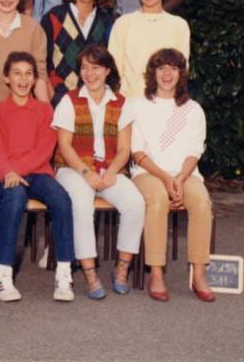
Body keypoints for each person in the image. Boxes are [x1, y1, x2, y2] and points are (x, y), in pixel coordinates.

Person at [52, 44, 145, 299]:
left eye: (95, 68)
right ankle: (90, 272)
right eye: (84, 68)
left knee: (135, 203)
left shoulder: (122, 103)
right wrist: (86, 173)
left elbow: (124, 148)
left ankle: (122, 269)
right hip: (73, 169)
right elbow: (64, 146)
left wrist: (112, 171)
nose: (89, 73)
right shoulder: (69, 100)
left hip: (109, 169)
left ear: (107, 71)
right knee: (82, 204)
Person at [0, 51, 75, 302]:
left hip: (37, 172)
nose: (23, 80)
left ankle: (64, 274)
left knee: (61, 199)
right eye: (17, 74)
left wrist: (18, 170)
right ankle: (3, 275)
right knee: (14, 200)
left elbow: (45, 149)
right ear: (6, 78)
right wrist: (9, 172)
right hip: (7, 175)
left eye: (28, 74)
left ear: (35, 79)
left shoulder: (45, 110)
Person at [130, 48, 215, 303]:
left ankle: (198, 274)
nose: (167, 74)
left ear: (181, 73)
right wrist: (166, 179)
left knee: (201, 201)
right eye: (161, 68)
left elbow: (194, 150)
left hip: (185, 174)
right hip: (147, 173)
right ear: (153, 73)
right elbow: (137, 152)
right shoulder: (138, 106)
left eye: (173, 68)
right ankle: (156, 273)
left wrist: (179, 178)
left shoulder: (193, 109)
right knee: (157, 198)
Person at [108, 0, 190, 98]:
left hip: (165, 101)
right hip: (129, 101)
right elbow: (114, 68)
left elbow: (181, 69)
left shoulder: (179, 26)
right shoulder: (123, 23)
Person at [41, 0, 115, 107]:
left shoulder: (107, 21)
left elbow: (110, 63)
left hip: (96, 99)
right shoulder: (54, 17)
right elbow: (44, 62)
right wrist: (54, 96)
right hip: (60, 98)